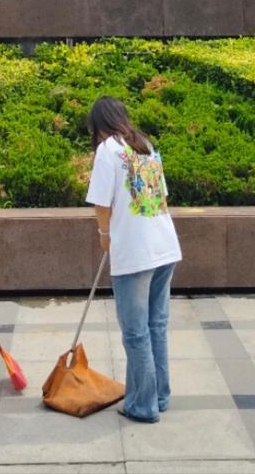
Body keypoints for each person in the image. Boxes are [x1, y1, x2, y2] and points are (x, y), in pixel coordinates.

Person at [86, 96, 182, 423]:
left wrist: (104, 234)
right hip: (165, 245)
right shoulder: (145, 145)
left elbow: (102, 204)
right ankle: (159, 396)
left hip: (135, 252)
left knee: (136, 332)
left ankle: (143, 405)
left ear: (98, 124)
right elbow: (161, 196)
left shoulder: (108, 149)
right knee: (156, 326)